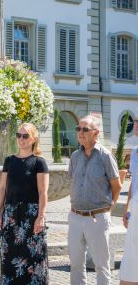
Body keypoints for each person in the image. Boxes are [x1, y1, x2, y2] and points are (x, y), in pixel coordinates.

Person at [68, 115, 121, 285]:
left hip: (97, 217)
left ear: (96, 133)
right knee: (76, 264)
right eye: (78, 129)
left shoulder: (105, 156)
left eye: (85, 129)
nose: (80, 132)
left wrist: (109, 207)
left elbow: (117, 185)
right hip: (75, 217)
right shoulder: (75, 156)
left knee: (101, 265)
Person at [0, 122, 49, 285]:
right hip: (11, 215)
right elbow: (2, 187)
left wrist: (41, 217)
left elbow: (43, 192)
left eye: (25, 136)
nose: (21, 139)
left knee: (33, 259)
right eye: (19, 135)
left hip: (31, 216)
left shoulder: (39, 162)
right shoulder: (9, 160)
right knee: (9, 258)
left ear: (33, 139)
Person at [119, 116, 138, 284]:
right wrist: (127, 209)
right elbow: (134, 182)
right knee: (131, 254)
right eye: (137, 121)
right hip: (136, 208)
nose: (137, 125)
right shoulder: (135, 152)